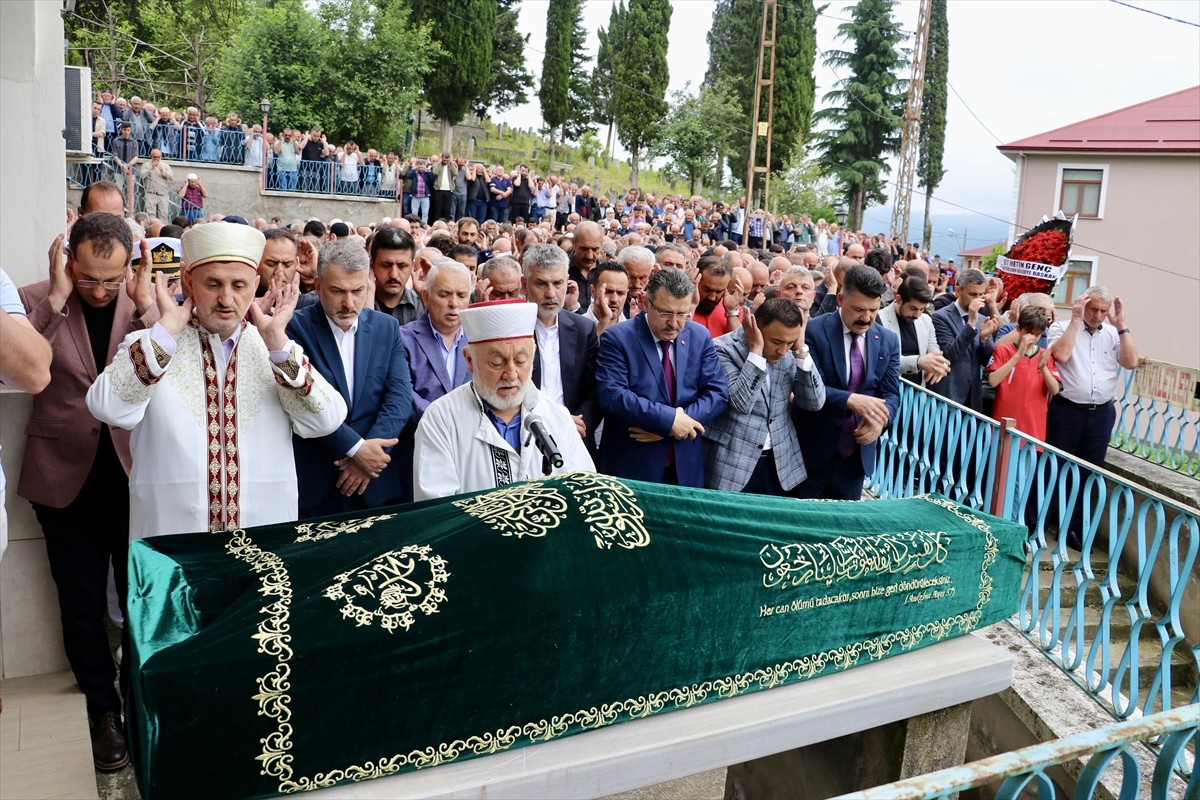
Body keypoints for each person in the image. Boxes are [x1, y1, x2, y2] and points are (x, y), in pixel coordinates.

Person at [86, 221, 347, 539]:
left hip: (260, 548)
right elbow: (107, 407)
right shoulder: (154, 344)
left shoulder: (275, 350)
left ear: (255, 284)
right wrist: (165, 333)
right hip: (172, 544)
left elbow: (327, 420)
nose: (226, 298)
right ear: (188, 281)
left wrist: (279, 348)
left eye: (239, 285)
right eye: (213, 284)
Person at [18, 215, 158, 770]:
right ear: (68, 259)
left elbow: (170, 366)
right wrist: (56, 299)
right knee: (80, 606)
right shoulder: (34, 302)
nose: (100, 291)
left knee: (139, 602)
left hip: (134, 479)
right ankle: (103, 710)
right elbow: (18, 367)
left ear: (130, 266)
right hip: (63, 481)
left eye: (111, 279)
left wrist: (145, 306)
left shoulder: (145, 303)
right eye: (88, 278)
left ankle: (139, 699)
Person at [413, 298, 594, 500]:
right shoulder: (441, 419)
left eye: (520, 361)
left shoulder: (557, 417)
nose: (511, 374)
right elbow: (436, 507)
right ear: (470, 360)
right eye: (497, 363)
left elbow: (586, 494)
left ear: (533, 354)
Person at [286, 241, 412, 517]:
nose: (349, 303)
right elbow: (303, 403)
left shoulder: (387, 327)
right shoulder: (294, 327)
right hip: (316, 483)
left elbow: (399, 398)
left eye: (358, 291)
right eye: (338, 291)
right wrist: (355, 450)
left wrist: (370, 456)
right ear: (318, 287)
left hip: (376, 482)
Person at [595, 268, 729, 487]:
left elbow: (717, 393)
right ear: (645, 302)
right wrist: (669, 421)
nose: (674, 323)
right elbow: (613, 396)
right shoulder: (618, 338)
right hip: (633, 468)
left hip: (685, 468)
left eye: (682, 314)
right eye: (665, 313)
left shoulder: (699, 336)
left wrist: (674, 426)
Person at [792, 265, 900, 501]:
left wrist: (881, 422)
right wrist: (851, 400)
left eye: (873, 310)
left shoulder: (888, 340)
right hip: (811, 453)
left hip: (855, 457)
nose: (866, 318)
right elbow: (809, 387)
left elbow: (892, 394)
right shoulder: (813, 330)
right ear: (841, 299)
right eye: (859, 309)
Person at [704, 298, 825, 495]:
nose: (782, 351)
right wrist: (756, 353)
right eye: (776, 342)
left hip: (780, 465)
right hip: (731, 465)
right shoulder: (721, 349)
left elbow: (814, 403)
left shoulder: (790, 352)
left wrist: (801, 351)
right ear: (756, 328)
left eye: (789, 342)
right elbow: (741, 403)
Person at [397, 258, 474, 498]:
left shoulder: (479, 340)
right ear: (426, 296)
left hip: (471, 456)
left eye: (461, 295)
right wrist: (446, 425)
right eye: (444, 294)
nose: (454, 304)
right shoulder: (403, 338)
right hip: (418, 454)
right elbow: (404, 394)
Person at [1046, 286, 1138, 467]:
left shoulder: (1113, 333)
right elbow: (1061, 356)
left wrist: (1121, 326)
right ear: (1083, 305)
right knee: (1056, 465)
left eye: (1104, 311)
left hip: (1101, 413)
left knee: (1091, 468)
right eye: (1094, 309)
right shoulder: (1061, 327)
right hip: (1067, 411)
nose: (1098, 315)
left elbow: (1131, 362)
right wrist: (1076, 319)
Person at [522, 244, 600, 450]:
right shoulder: (511, 329)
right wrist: (554, 422)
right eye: (541, 284)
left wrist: (578, 425)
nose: (551, 293)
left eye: (558, 283)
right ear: (524, 284)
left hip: (574, 440)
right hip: (524, 439)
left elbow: (595, 391)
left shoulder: (584, 329)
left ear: (567, 281)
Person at [929, 268, 1002, 412]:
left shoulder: (982, 319)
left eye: (981, 295)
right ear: (958, 290)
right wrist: (971, 324)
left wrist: (984, 338)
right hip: (947, 397)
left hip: (972, 398)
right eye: (973, 294)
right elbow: (950, 354)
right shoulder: (940, 317)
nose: (977, 299)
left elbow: (986, 360)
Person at [986, 305, 1060, 441]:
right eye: (1028, 333)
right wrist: (1018, 355)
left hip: (1033, 428)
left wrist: (1043, 368)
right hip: (1004, 425)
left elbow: (1055, 390)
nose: (1032, 338)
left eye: (1037, 334)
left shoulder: (1045, 355)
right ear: (1019, 329)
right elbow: (993, 381)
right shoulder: (1003, 350)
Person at [877, 276, 951, 386]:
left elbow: (934, 350)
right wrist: (918, 361)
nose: (917, 315)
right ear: (899, 299)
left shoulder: (926, 320)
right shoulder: (880, 319)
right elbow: (884, 360)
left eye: (922, 309)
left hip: (917, 392)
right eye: (913, 308)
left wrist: (937, 366)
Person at [369, 226, 424, 325]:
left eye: (402, 266)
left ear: (412, 266)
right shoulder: (356, 304)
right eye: (386, 265)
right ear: (372, 265)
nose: (394, 275)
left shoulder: (422, 306)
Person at [690, 255, 747, 339]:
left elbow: (737, 341)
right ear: (696, 279)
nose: (712, 297)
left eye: (719, 292)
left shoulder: (734, 309)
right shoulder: (677, 304)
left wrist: (731, 312)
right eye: (707, 289)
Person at [583, 259, 629, 337]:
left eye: (620, 293)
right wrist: (604, 321)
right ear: (593, 291)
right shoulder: (575, 327)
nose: (614, 299)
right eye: (608, 291)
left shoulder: (633, 331)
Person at [138, 149, 174, 220]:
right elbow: (141, 176)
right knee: (151, 215)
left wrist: (162, 170)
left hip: (163, 194)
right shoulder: (146, 165)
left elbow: (171, 177)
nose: (156, 159)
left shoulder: (165, 165)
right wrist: (151, 168)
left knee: (163, 215)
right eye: (155, 157)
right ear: (151, 156)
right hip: (151, 193)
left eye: (158, 157)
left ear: (161, 156)